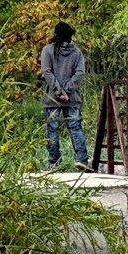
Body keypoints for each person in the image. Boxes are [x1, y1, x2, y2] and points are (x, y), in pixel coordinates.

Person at [40, 21, 91, 171]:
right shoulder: (77, 52)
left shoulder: (47, 50)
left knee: (52, 129)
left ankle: (54, 162)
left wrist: (58, 91)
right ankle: (81, 159)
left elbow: (47, 72)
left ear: (56, 34)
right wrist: (67, 91)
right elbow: (80, 73)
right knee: (75, 127)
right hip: (72, 97)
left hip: (51, 98)